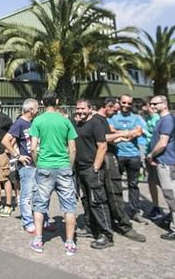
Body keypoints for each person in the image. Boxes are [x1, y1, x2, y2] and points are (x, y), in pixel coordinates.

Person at [29, 91, 78, 256]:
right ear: (57, 101)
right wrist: (69, 166)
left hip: (44, 166)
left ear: (42, 102)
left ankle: (38, 240)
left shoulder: (38, 120)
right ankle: (70, 243)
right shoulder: (65, 121)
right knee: (69, 206)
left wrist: (37, 163)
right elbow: (72, 148)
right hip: (63, 166)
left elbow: (33, 148)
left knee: (40, 204)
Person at [93, 99, 146, 243]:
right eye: (115, 110)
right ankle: (123, 226)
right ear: (108, 107)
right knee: (114, 193)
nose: (117, 113)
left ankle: (120, 224)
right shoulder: (99, 120)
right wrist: (124, 134)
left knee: (115, 192)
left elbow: (111, 137)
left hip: (111, 157)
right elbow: (103, 138)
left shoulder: (105, 119)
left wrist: (120, 136)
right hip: (106, 159)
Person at [1, 98, 54, 234]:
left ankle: (43, 220)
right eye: (37, 108)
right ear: (30, 110)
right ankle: (28, 222)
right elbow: (5, 141)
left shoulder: (35, 122)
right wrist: (18, 156)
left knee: (42, 194)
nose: (38, 110)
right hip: (27, 166)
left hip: (39, 164)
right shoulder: (19, 123)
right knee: (26, 196)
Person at [74, 99, 114, 249]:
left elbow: (102, 147)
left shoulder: (96, 123)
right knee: (86, 201)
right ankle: (91, 228)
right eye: (78, 109)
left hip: (92, 169)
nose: (80, 111)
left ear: (90, 109)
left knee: (98, 202)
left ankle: (107, 235)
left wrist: (96, 167)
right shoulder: (78, 123)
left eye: (83, 109)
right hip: (80, 169)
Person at [146, 95, 175, 240]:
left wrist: (151, 155)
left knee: (172, 194)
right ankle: (173, 218)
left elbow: (163, 143)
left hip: (167, 163)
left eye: (154, 104)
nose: (152, 106)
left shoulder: (167, 120)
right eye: (151, 104)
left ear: (164, 104)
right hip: (163, 162)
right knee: (169, 193)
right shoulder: (162, 120)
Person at [108, 94, 147, 223]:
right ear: (120, 102)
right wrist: (129, 133)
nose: (126, 105)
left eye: (129, 103)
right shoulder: (113, 117)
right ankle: (118, 212)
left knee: (133, 185)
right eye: (124, 102)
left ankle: (134, 211)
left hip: (133, 156)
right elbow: (110, 130)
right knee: (116, 184)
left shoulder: (136, 117)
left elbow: (138, 132)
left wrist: (120, 134)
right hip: (118, 155)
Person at [142, 102, 163, 220]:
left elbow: (157, 137)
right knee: (151, 181)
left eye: (144, 105)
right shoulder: (147, 118)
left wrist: (144, 132)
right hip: (148, 153)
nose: (142, 108)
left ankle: (172, 210)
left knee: (162, 182)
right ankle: (156, 206)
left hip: (155, 155)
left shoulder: (157, 119)